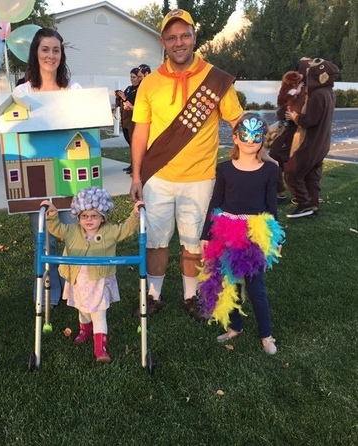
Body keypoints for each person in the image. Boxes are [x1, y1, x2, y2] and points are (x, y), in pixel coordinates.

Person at [129, 8, 244, 317]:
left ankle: (190, 296)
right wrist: (137, 175)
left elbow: (237, 121)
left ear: (194, 37)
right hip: (158, 178)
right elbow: (140, 132)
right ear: (162, 42)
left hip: (201, 177)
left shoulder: (216, 79)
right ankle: (153, 295)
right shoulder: (150, 83)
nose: (178, 42)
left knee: (194, 244)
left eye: (184, 35)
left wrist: (258, 150)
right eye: (171, 37)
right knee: (155, 241)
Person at [198, 113, 284, 355]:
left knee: (256, 288)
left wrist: (274, 239)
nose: (250, 140)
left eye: (256, 136)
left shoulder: (269, 170)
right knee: (230, 284)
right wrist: (206, 235)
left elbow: (271, 207)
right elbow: (215, 202)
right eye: (245, 135)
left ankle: (266, 335)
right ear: (235, 138)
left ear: (263, 140)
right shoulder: (225, 169)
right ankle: (236, 326)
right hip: (226, 233)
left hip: (254, 235)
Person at [13, 28, 82, 308]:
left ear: (61, 54)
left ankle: (74, 293)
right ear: (35, 52)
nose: (51, 55)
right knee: (44, 239)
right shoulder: (22, 92)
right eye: (45, 49)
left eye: (56, 50)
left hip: (70, 175)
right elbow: (13, 134)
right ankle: (47, 294)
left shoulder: (73, 90)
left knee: (72, 235)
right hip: (36, 177)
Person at [41, 187, 143, 363]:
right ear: (78, 216)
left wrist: (135, 215)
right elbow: (56, 229)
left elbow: (126, 229)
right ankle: (85, 330)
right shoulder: (71, 231)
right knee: (82, 309)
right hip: (78, 280)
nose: (89, 220)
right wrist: (52, 214)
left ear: (103, 216)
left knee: (98, 313)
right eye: (84, 216)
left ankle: (100, 348)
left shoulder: (110, 231)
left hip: (99, 280)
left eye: (94, 216)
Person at [284, 57, 339, 218]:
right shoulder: (329, 93)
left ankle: (304, 203)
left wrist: (295, 116)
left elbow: (309, 121)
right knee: (312, 176)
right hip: (322, 143)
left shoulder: (317, 95)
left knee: (291, 171)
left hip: (311, 142)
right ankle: (313, 205)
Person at [267, 70, 305, 203]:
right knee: (278, 158)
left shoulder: (293, 93)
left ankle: (282, 192)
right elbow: (285, 107)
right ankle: (281, 191)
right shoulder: (292, 93)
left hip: (292, 131)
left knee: (275, 157)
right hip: (289, 129)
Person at [115, 67, 142, 174]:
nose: (132, 79)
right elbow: (124, 100)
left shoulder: (140, 89)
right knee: (130, 144)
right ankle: (132, 164)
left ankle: (137, 167)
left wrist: (124, 97)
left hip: (133, 121)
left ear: (139, 78)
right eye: (131, 77)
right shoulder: (129, 88)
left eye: (134, 77)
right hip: (125, 120)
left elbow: (133, 104)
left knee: (135, 144)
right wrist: (119, 96)